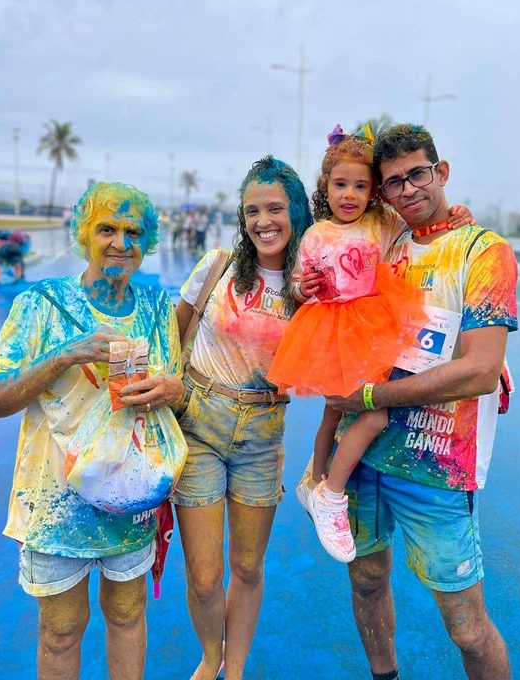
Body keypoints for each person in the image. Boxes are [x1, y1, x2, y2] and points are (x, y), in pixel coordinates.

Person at [326, 124, 518, 680]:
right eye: (394, 182)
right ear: (383, 193)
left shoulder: (483, 251)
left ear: (442, 172)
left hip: (436, 466)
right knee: (366, 580)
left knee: (466, 627)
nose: (408, 189)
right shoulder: (383, 245)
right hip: (363, 457)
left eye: (418, 174)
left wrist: (369, 395)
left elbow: (481, 371)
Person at [0, 182, 185, 680]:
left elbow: (177, 391)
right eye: (107, 229)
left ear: (148, 242)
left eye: (133, 232)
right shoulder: (42, 303)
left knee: (127, 615)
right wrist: (68, 352)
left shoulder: (156, 309)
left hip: (132, 495)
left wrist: (172, 390)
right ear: (85, 233)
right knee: (61, 629)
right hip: (54, 503)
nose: (121, 243)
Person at [268, 124, 473, 563]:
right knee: (362, 413)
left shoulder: (382, 221)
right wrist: (306, 288)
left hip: (371, 328)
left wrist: (457, 214)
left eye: (361, 186)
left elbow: (423, 222)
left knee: (355, 412)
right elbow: (301, 286)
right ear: (326, 187)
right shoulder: (317, 233)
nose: (350, 194)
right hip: (329, 330)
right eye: (341, 184)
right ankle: (329, 489)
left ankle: (317, 484)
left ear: (374, 191)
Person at [172, 156, 313, 680]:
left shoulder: (310, 290)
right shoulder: (218, 266)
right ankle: (212, 658)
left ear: (296, 213)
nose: (263, 221)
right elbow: (173, 331)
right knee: (205, 577)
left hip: (262, 432)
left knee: (247, 568)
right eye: (252, 210)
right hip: (199, 420)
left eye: (275, 208)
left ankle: (235, 671)